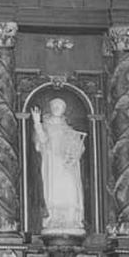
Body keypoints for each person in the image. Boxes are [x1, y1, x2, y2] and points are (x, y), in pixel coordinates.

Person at [31, 98, 86, 233]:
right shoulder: (46, 126)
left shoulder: (70, 130)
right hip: (53, 165)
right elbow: (42, 141)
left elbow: (79, 148)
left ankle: (71, 219)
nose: (57, 108)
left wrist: (74, 154)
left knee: (71, 189)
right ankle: (55, 218)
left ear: (64, 110)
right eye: (55, 105)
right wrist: (37, 123)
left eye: (60, 106)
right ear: (50, 108)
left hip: (67, 166)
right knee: (54, 191)